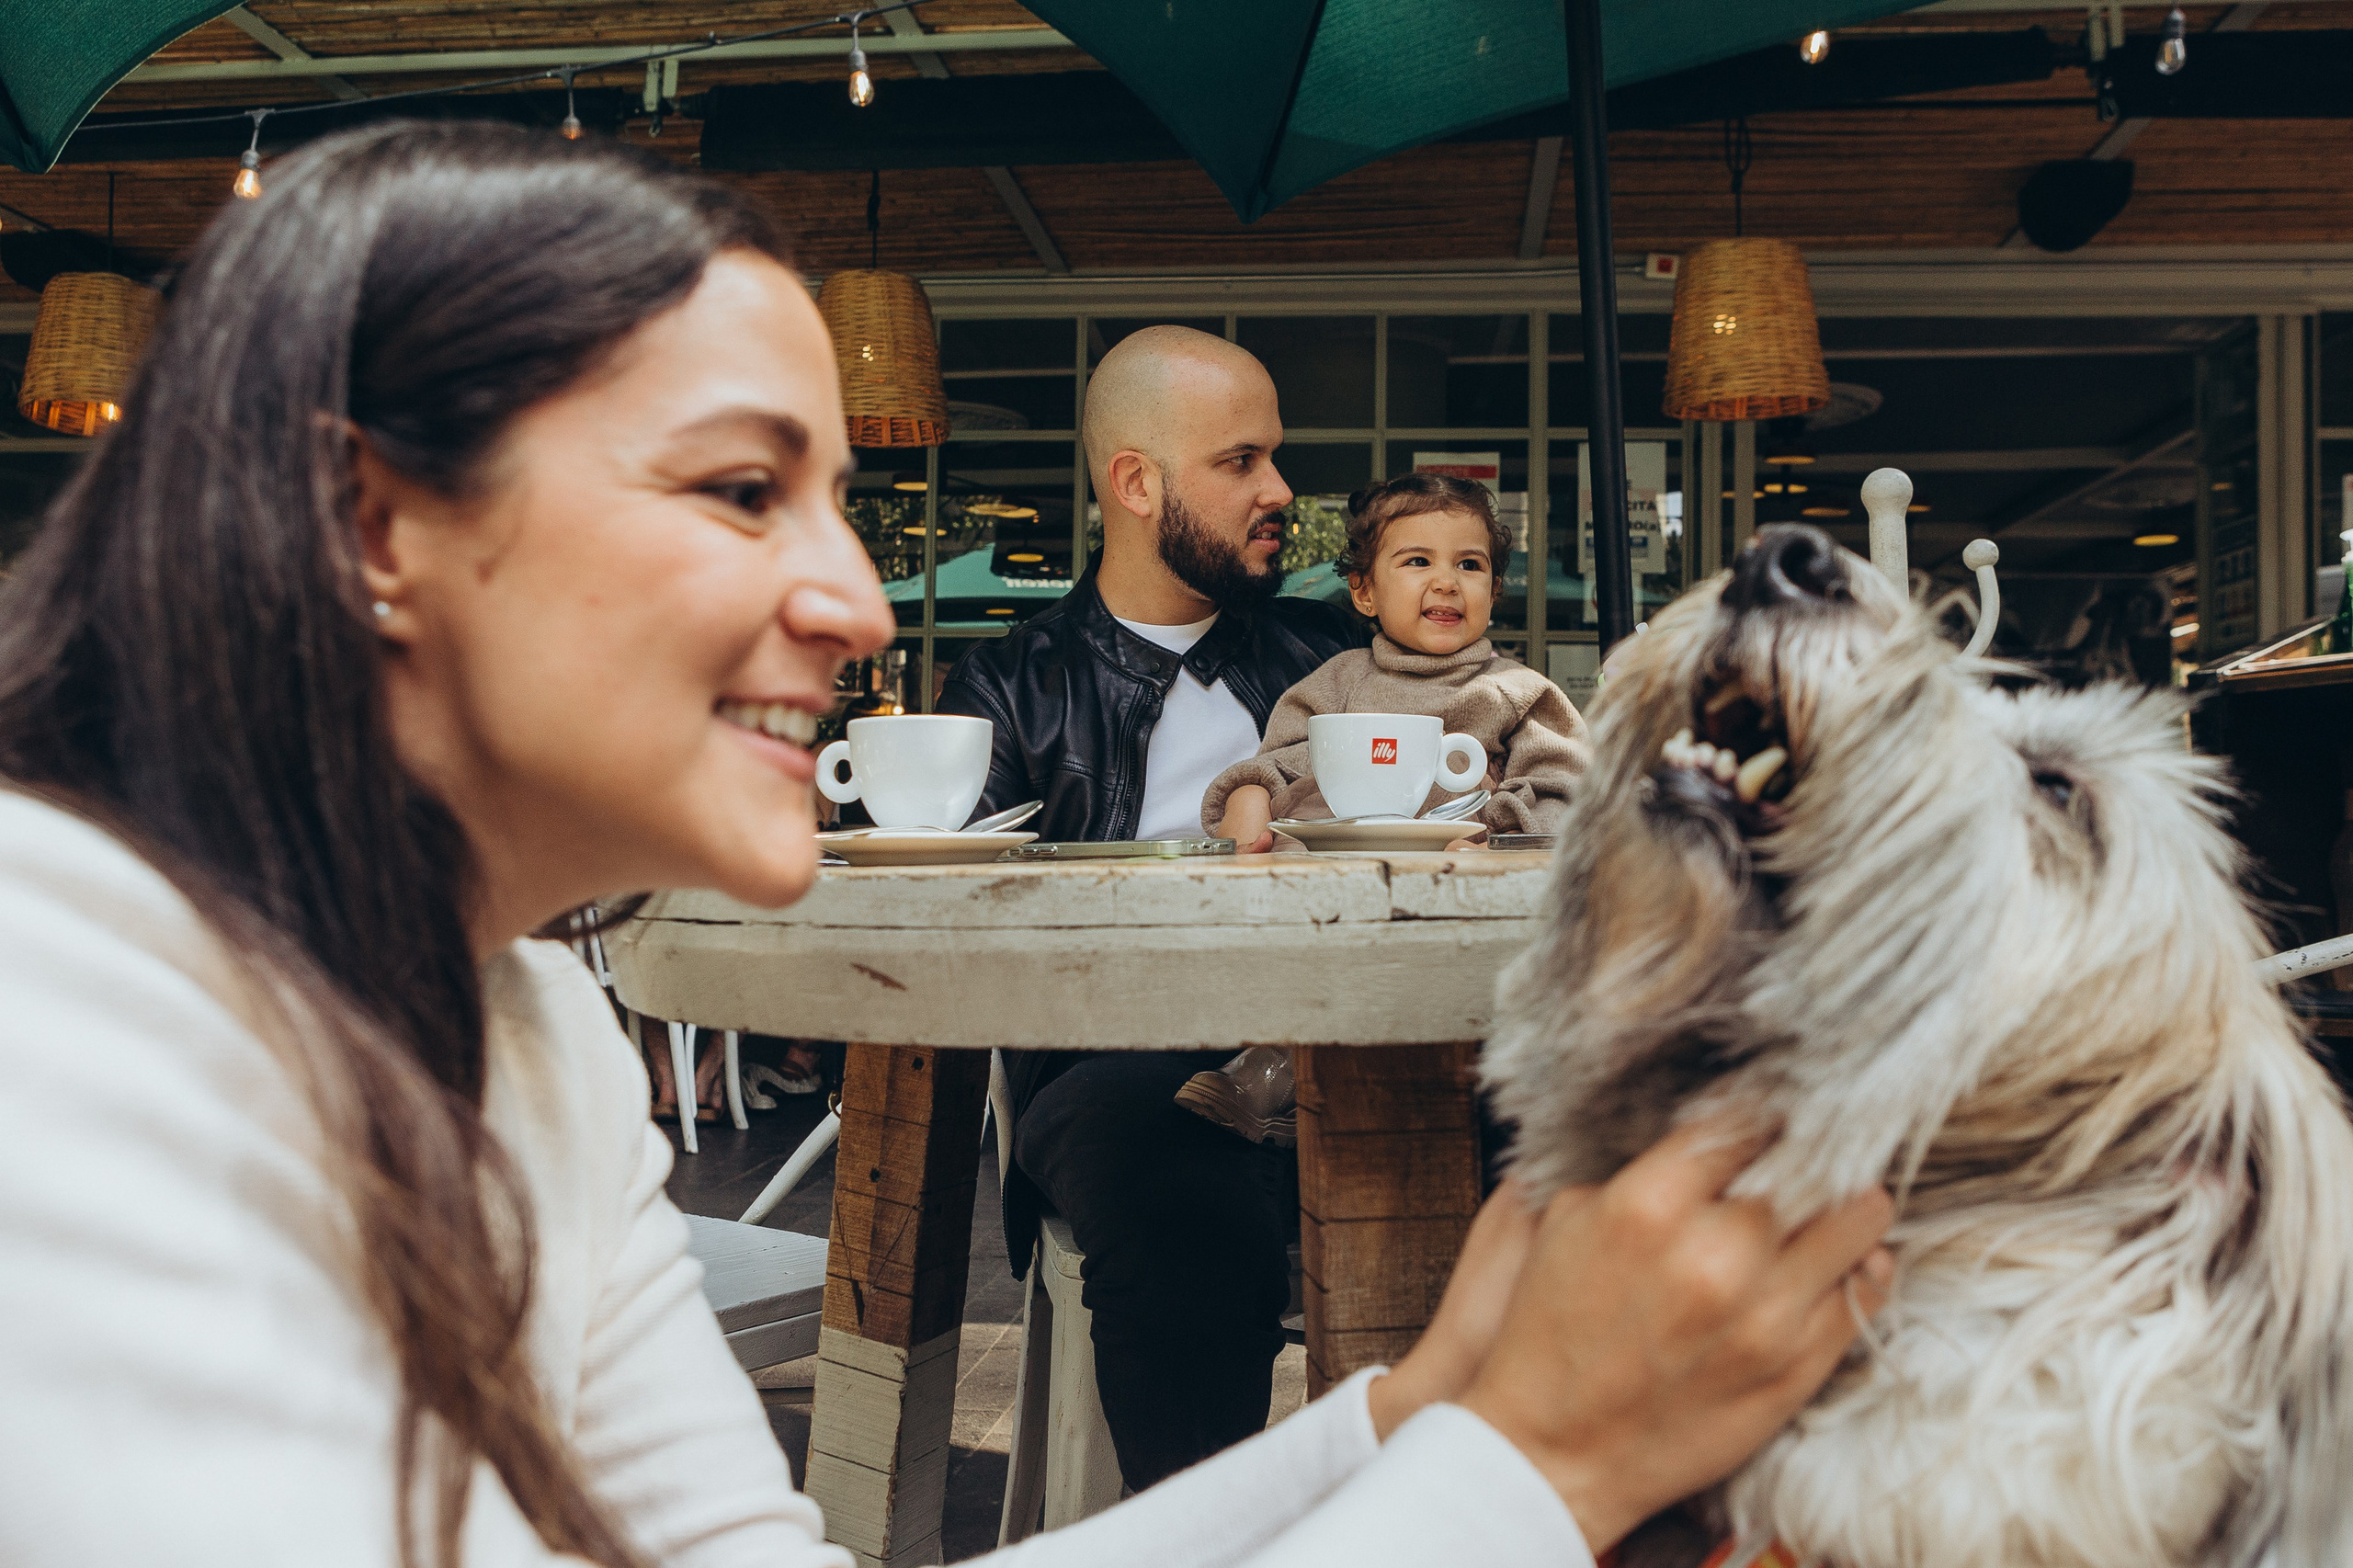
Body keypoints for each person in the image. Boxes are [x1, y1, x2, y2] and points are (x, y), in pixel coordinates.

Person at [0, 121, 1895, 1568]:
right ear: (372, 523)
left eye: (832, 498)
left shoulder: (532, 1046)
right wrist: (1540, 1475)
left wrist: (1414, 1413)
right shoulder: (57, 1016)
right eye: (746, 489)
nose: (854, 598)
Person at [938, 325, 1368, 1488]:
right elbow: (962, 929)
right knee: (1177, 1173)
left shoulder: (1333, 653)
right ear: (1136, 482)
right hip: (1111, 1065)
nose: (1281, 491)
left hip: (1340, 1047)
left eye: (1276, 458)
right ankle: (1205, 1528)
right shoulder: (1009, 682)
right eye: (1240, 463)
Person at [1177, 472, 1588, 1145]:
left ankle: (1320, 1082)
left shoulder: (1517, 691)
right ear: (1364, 591)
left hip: (1458, 903)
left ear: (1494, 590)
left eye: (1470, 564)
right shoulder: (1336, 684)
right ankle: (1278, 1074)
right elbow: (1283, 758)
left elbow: (1566, 789)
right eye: (1417, 561)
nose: (1447, 582)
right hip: (1339, 899)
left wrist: (1501, 833)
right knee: (1289, 933)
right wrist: (1249, 793)